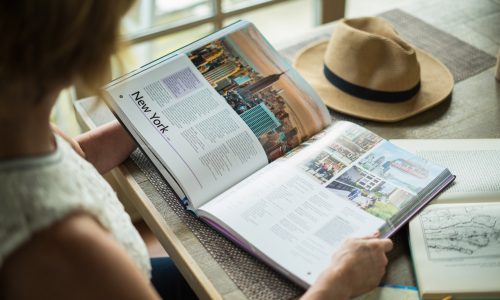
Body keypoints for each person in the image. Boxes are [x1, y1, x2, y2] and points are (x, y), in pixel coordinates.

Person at [0, 1, 393, 299]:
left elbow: (72, 163)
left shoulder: (17, 120)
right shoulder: (65, 247)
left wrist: (156, 122)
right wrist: (334, 287)